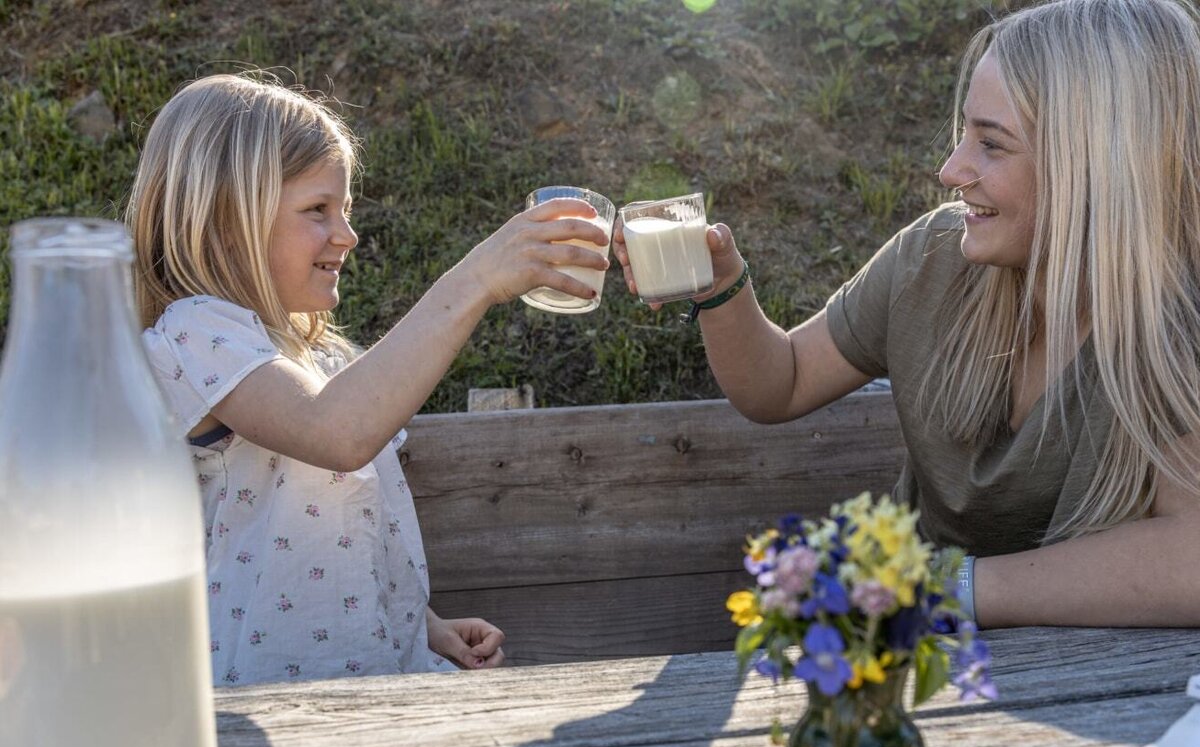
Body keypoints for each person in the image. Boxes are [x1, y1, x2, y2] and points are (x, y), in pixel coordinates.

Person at [616, 0, 1200, 628]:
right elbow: (780, 383)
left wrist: (941, 588)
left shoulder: (1180, 324)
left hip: (1090, 680)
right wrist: (721, 286)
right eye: (963, 134)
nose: (951, 171)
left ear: (1099, 164)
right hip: (910, 661)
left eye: (991, 144)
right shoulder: (933, 258)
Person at [125, 72, 611, 684]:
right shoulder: (195, 332)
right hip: (268, 699)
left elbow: (349, 523)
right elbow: (335, 432)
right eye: (317, 210)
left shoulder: (316, 359)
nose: (347, 235)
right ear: (227, 221)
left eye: (346, 210)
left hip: (373, 678)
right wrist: (477, 280)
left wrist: (422, 625)